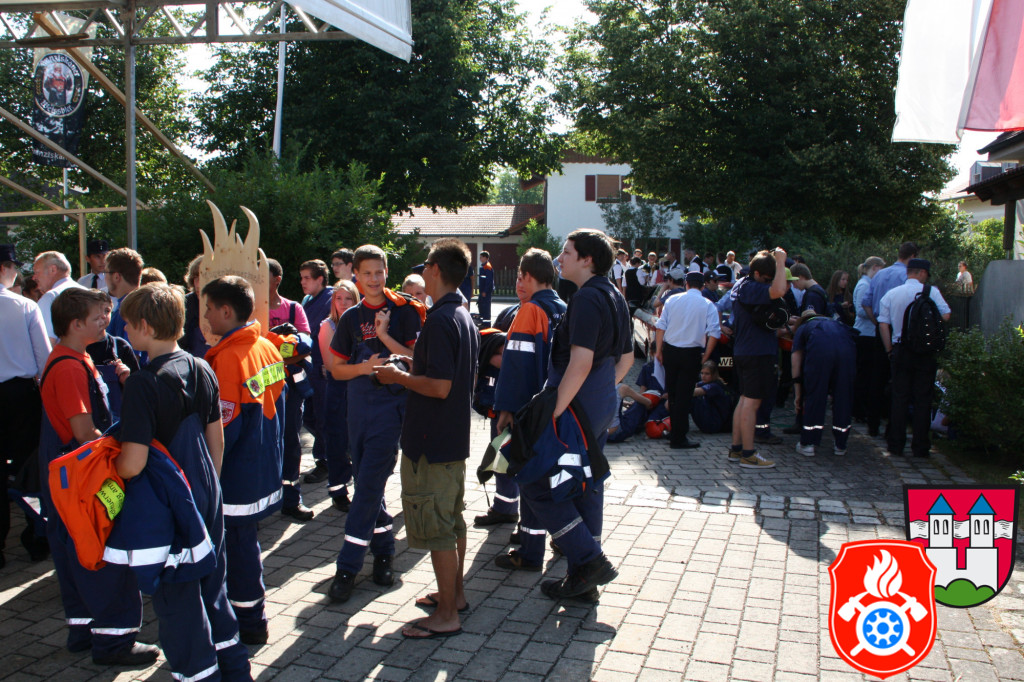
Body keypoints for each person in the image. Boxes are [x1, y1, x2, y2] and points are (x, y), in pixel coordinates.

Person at [116, 283, 253, 681]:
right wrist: (208, 487)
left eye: (128, 324)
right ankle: (234, 668)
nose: (124, 331)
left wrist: (108, 468)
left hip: (168, 507)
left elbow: (133, 463)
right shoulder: (201, 366)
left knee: (177, 599)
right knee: (213, 587)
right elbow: (216, 439)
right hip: (207, 492)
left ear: (145, 326)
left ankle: (199, 673)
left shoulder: (142, 383)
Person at [38, 287, 159, 666]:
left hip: (67, 477)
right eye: (99, 317)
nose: (107, 321)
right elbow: (83, 432)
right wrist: (124, 451)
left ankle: (83, 631)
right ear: (76, 325)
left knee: (74, 552)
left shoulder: (75, 357)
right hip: (83, 478)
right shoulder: (70, 367)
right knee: (103, 554)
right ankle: (114, 642)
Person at [375, 237, 478, 639]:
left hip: (431, 441)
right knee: (452, 522)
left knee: (438, 530)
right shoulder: (461, 314)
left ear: (435, 270)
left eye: (426, 268)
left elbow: (438, 386)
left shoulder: (438, 320)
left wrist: (397, 376)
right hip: (451, 438)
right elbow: (443, 370)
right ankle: (455, 596)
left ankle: (447, 614)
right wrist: (409, 361)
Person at [529, 228, 632, 602]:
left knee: (537, 481)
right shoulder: (613, 295)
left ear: (587, 259)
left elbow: (581, 361)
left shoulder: (587, 298)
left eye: (567, 252)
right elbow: (626, 360)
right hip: (598, 403)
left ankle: (588, 561)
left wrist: (554, 412)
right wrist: (601, 393)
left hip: (576, 406)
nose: (559, 258)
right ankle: (582, 578)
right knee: (587, 484)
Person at [327, 245, 422, 603]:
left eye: (379, 272)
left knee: (367, 485)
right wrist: (365, 368)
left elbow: (418, 359)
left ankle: (347, 567)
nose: (373, 279)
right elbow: (337, 370)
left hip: (391, 409)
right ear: (355, 275)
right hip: (357, 408)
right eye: (366, 273)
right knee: (368, 482)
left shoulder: (405, 311)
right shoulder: (350, 317)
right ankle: (384, 552)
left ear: (387, 271)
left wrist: (384, 337)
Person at [202, 275, 286, 645]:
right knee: (245, 544)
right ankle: (250, 614)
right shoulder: (265, 346)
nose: (206, 316)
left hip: (236, 473)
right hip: (263, 463)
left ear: (225, 311)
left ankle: (250, 621)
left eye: (208, 308)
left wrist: (207, 475)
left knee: (238, 551)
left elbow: (224, 430)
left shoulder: (227, 359)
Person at [488, 249, 566, 571]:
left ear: (529, 276)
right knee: (553, 476)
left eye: (521, 276)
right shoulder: (562, 308)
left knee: (531, 479)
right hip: (558, 405)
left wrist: (505, 408)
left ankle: (530, 551)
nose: (519, 281)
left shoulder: (530, 310)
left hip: (531, 408)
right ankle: (556, 537)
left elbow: (516, 364)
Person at [0, 244, 51, 569]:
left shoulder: (25, 305)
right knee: (28, 468)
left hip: (17, 391)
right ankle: (36, 538)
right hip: (20, 396)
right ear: (4, 268)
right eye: (14, 267)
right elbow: (44, 360)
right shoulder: (24, 306)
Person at [877, 259, 951, 459]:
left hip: (900, 349)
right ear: (922, 273)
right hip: (925, 352)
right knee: (923, 398)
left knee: (899, 397)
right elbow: (946, 314)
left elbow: (883, 324)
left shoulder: (892, 294)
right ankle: (921, 446)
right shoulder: (931, 292)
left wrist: (889, 349)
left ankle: (896, 443)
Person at [727, 248, 788, 469]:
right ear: (757, 274)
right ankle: (748, 454)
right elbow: (779, 290)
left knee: (744, 400)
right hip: (757, 352)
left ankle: (736, 449)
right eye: (767, 278)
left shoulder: (742, 285)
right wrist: (780, 262)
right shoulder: (753, 288)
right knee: (752, 403)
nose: (769, 282)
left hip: (745, 350)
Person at [265, 259, 314, 521]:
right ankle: (260, 503)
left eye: (262, 276)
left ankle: (291, 500)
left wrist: (274, 353)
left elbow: (305, 347)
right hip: (259, 388)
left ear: (277, 280)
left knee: (291, 442)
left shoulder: (293, 308)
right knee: (260, 443)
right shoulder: (249, 310)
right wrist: (283, 351)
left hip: (290, 388)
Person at [655, 271, 720, 449]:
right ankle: (679, 436)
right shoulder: (708, 304)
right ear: (703, 286)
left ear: (686, 284)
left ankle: (675, 431)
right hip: (691, 353)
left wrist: (658, 351)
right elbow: (714, 332)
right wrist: (706, 355)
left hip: (671, 351)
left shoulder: (672, 300)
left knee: (673, 393)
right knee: (684, 395)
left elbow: (660, 326)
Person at [862, 242, 918, 440]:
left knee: (877, 377)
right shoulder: (906, 277)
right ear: (912, 257)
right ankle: (893, 426)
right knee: (898, 380)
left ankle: (872, 424)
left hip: (880, 328)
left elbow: (866, 303)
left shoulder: (880, 274)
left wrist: (877, 322)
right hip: (900, 331)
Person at [317, 280, 359, 511]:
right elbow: (333, 367)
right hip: (338, 390)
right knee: (337, 441)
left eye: (348, 298)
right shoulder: (328, 326)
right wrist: (362, 366)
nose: (343, 303)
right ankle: (338, 491)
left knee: (358, 441)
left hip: (359, 389)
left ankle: (361, 487)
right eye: (338, 298)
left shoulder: (361, 323)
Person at [790, 310, 857, 457]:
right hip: (847, 352)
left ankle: (808, 444)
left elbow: (796, 361)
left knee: (816, 395)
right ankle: (841, 445)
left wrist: (798, 394)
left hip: (820, 352)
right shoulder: (837, 324)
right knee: (843, 396)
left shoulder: (804, 328)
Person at [299, 259, 333, 486]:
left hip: (323, 367)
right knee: (308, 415)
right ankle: (334, 452)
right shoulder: (308, 300)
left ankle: (326, 462)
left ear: (320, 279)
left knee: (322, 416)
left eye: (307, 278)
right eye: (301, 278)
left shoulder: (331, 299)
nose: (303, 282)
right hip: (309, 367)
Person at [852, 256, 885, 431]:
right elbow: (861, 310)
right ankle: (859, 409)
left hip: (868, 333)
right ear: (875, 268)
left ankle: (861, 408)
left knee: (866, 373)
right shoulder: (865, 285)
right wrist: (878, 313)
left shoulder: (867, 283)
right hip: (865, 333)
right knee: (864, 374)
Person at [34, 250, 85, 343]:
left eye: (37, 272)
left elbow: (47, 343)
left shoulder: (50, 298)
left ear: (53, 270)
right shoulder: (88, 293)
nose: (34, 277)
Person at [179, 255, 211, 358]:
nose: (198, 285)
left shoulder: (227, 305)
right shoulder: (184, 304)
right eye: (196, 278)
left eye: (203, 278)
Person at [692, 361, 732, 434]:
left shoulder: (715, 386)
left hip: (714, 424)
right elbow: (692, 386)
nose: (703, 376)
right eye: (702, 373)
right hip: (710, 420)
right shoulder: (705, 382)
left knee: (691, 399)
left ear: (713, 375)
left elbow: (694, 392)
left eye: (707, 374)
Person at [477, 251, 494, 323]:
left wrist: (485, 291)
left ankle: (486, 323)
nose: (480, 258)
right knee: (481, 306)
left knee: (485, 308)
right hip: (482, 290)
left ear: (486, 258)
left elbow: (489, 281)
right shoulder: (483, 266)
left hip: (485, 292)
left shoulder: (487, 267)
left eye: (481, 257)